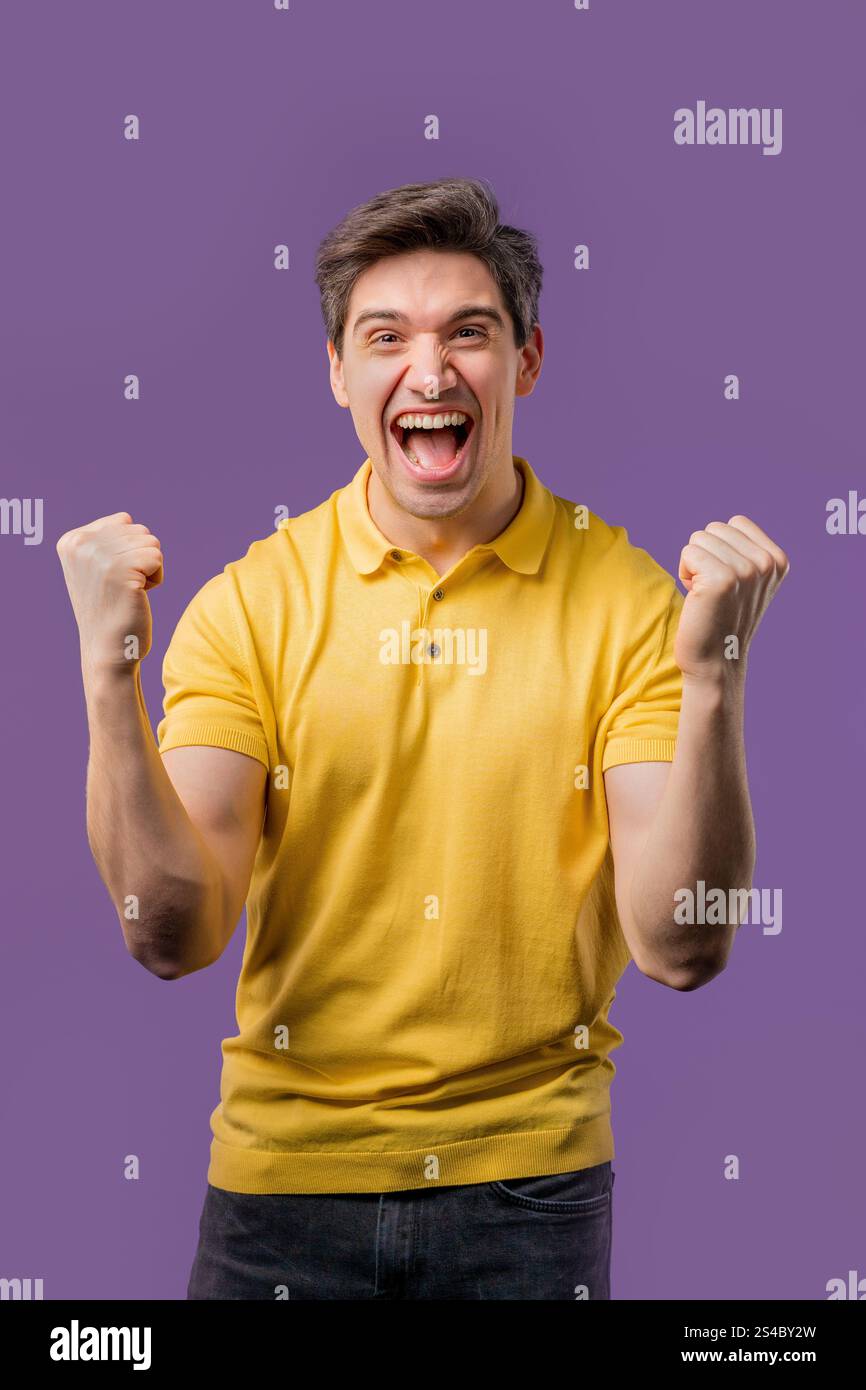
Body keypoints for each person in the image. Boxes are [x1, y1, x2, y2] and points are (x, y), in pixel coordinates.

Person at [56, 177, 789, 1300]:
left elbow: (680, 947)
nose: (431, 371)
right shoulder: (253, 605)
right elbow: (171, 930)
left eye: (470, 334)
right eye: (385, 336)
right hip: (280, 1188)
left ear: (527, 362)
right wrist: (111, 679)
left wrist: (712, 680)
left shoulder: (632, 604)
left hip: (530, 1196)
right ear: (338, 372)